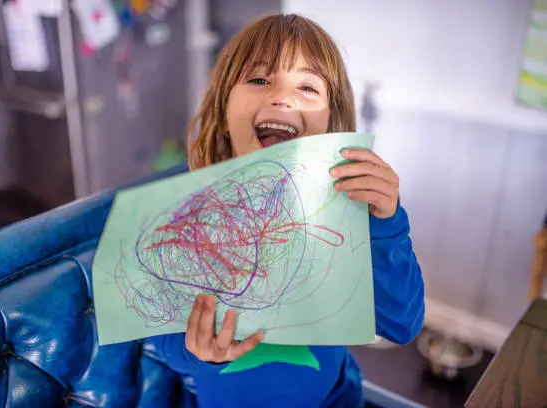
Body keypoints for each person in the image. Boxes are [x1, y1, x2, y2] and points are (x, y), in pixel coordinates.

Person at [141, 13, 424, 408]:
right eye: (259, 80)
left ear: (329, 122)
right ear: (224, 113)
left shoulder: (347, 214)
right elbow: (164, 340)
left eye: (307, 87)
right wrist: (196, 350)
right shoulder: (189, 221)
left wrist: (386, 225)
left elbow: (401, 324)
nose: (282, 97)